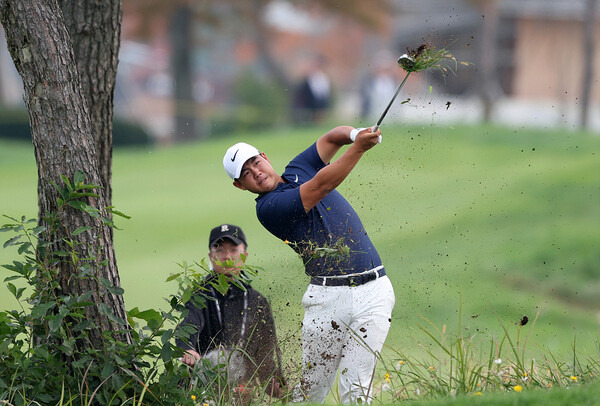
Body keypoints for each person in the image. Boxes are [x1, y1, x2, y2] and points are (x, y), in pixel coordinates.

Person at [222, 127, 395, 404]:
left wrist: (355, 134)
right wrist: (359, 148)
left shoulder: (298, 168)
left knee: (357, 386)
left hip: (375, 290)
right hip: (329, 299)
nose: (255, 172)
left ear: (264, 157)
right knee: (313, 390)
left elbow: (330, 139)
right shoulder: (268, 208)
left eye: (255, 162)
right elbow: (321, 186)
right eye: (245, 174)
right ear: (240, 186)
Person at [176, 224, 285, 402]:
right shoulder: (197, 294)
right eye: (219, 250)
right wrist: (187, 348)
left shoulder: (257, 301)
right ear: (211, 257)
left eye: (234, 250)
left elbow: (266, 350)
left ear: (244, 256)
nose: (227, 257)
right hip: (203, 385)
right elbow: (188, 324)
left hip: (242, 388)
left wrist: (273, 381)